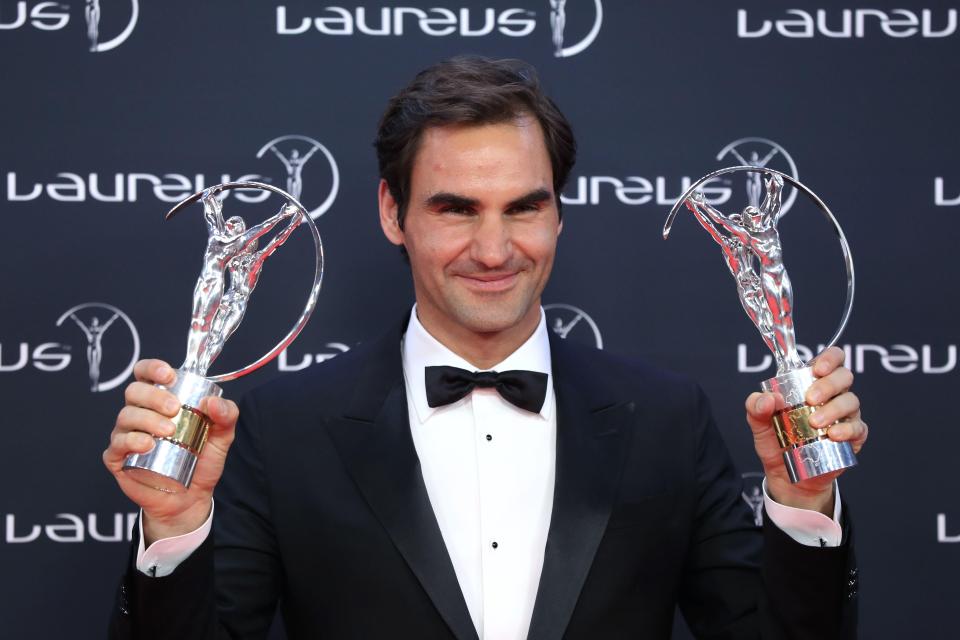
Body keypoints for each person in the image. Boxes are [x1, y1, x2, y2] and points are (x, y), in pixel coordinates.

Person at [105, 56, 867, 639]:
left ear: (559, 214)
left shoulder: (667, 417)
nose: (496, 248)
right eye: (456, 209)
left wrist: (803, 506)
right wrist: (174, 531)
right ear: (392, 213)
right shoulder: (285, 428)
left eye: (524, 207)